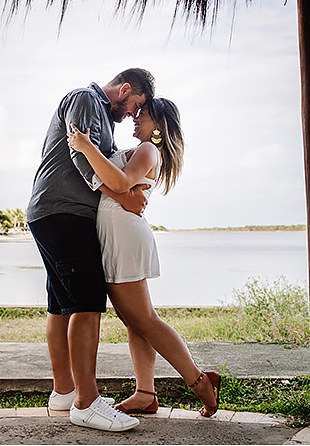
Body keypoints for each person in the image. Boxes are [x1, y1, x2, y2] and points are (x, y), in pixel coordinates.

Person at [67, 97, 221, 418]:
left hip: (124, 234)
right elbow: (118, 186)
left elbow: (121, 181)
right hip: (119, 231)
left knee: (144, 320)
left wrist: (84, 146)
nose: (135, 119)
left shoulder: (149, 150)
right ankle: (145, 393)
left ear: (159, 128)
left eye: (143, 116)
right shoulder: (144, 150)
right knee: (135, 321)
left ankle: (200, 382)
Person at [26, 68, 155, 432]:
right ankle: (86, 403)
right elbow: (84, 158)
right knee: (86, 303)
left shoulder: (100, 114)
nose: (132, 114)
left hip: (55, 212)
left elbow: (104, 159)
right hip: (64, 212)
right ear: (125, 89)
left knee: (61, 305)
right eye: (135, 106)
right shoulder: (85, 99)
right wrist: (123, 197)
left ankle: (65, 393)